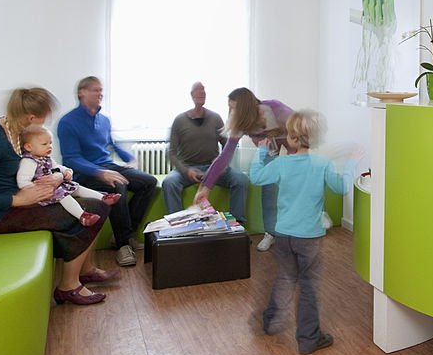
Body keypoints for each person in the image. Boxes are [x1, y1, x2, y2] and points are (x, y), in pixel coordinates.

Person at [0, 87, 119, 306]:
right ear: (30, 118)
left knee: (94, 204)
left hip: (19, 201)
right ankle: (68, 287)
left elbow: (40, 165)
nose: (44, 125)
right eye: (43, 120)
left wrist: (59, 176)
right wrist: (17, 200)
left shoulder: (16, 133)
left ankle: (85, 270)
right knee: (93, 209)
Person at [249, 110, 354, 355]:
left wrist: (262, 151)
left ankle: (271, 321)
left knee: (286, 277)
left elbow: (256, 177)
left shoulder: (281, 163)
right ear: (315, 138)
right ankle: (308, 339)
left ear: (292, 137)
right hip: (309, 238)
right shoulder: (322, 164)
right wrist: (350, 164)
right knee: (308, 285)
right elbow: (342, 187)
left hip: (283, 235)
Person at [57, 76, 158, 267]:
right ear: (81, 93)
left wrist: (130, 159)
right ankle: (123, 245)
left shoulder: (104, 120)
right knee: (116, 184)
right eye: (95, 90)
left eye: (101, 90)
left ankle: (123, 234)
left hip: (108, 166)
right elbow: (71, 158)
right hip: (84, 174)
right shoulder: (68, 122)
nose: (100, 94)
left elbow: (110, 144)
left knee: (149, 182)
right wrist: (98, 172)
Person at [195, 87, 292, 252]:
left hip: (290, 141)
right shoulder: (240, 122)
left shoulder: (274, 108)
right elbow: (224, 157)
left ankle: (314, 215)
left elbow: (297, 130)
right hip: (269, 147)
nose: (231, 112)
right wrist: (205, 187)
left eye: (234, 108)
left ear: (245, 108)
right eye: (229, 107)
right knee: (268, 186)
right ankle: (271, 233)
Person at [162, 81, 249, 217]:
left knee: (240, 180)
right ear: (191, 95)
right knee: (169, 183)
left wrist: (219, 161)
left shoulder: (215, 118)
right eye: (198, 90)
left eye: (204, 90)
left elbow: (228, 145)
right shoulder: (179, 120)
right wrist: (186, 170)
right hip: (188, 169)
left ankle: (237, 224)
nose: (202, 92)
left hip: (213, 167)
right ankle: (178, 225)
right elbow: (171, 153)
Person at [17, 124, 121, 227]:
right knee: (64, 196)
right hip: (44, 193)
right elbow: (22, 182)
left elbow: (57, 167)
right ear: (28, 147)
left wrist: (66, 171)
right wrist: (37, 189)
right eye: (44, 144)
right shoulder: (28, 162)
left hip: (55, 187)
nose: (49, 146)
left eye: (50, 143)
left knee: (76, 187)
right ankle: (82, 216)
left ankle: (103, 197)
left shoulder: (46, 158)